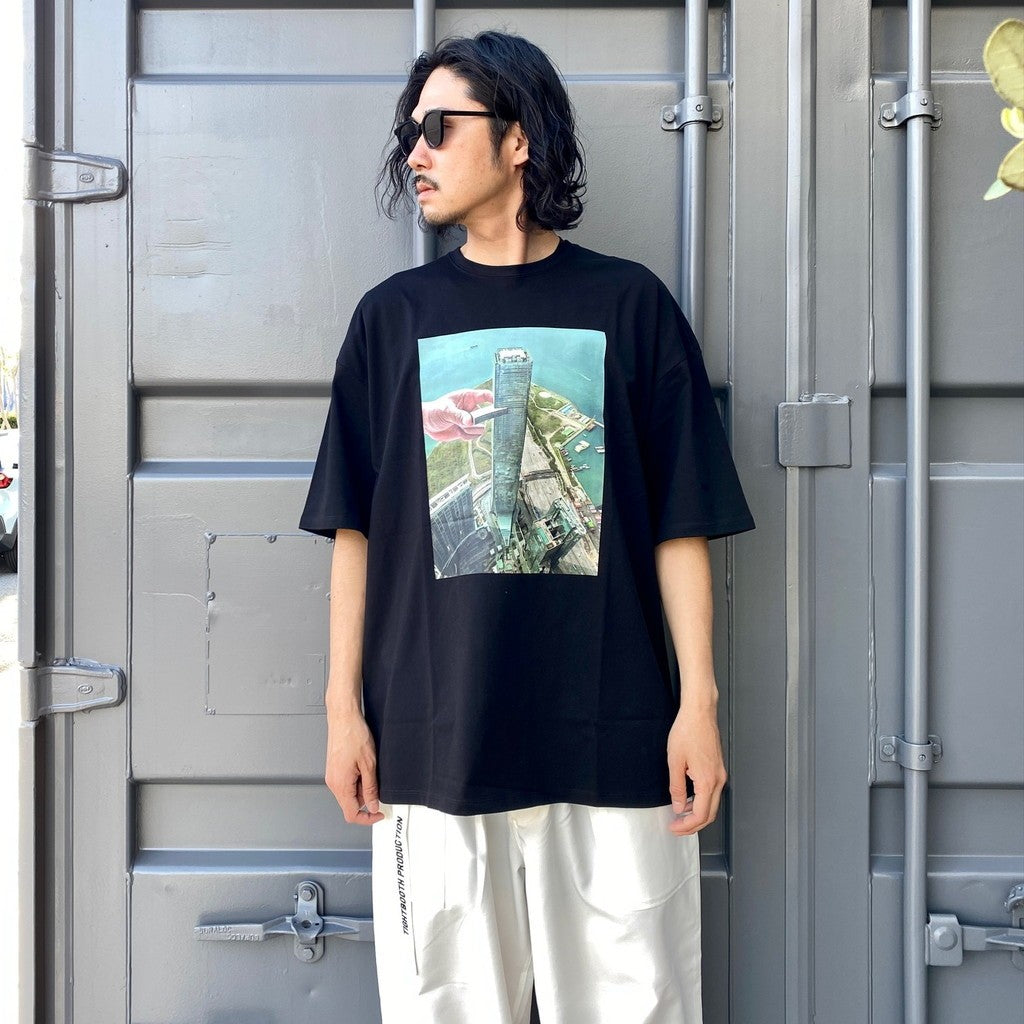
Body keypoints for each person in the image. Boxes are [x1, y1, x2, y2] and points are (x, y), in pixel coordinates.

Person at [299, 29, 755, 1024]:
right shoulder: (392, 319)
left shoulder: (629, 306)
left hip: (614, 741)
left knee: (639, 1008)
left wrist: (699, 703)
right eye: (408, 133)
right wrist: (342, 711)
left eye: (438, 127)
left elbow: (680, 523)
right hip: (433, 747)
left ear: (518, 139)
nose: (414, 152)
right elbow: (354, 531)